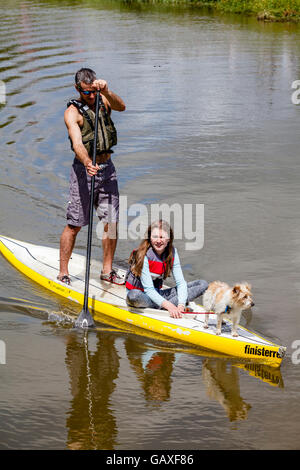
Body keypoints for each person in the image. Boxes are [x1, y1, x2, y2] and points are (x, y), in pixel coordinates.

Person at [58, 68, 126, 285]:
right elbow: (77, 143)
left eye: (94, 91)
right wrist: (88, 162)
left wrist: (107, 91)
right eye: (87, 92)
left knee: (111, 222)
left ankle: (107, 271)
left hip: (108, 169)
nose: (92, 96)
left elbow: (121, 106)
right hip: (84, 171)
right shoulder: (72, 112)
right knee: (75, 224)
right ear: (78, 89)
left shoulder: (103, 100)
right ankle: (63, 272)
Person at [126, 220, 208, 318]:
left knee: (202, 284)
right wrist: (170, 306)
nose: (158, 241)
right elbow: (148, 290)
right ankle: (164, 305)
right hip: (141, 295)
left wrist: (181, 304)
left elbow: (181, 283)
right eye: (155, 237)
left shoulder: (172, 252)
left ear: (168, 239)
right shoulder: (143, 255)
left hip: (158, 293)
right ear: (149, 237)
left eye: (162, 237)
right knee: (133, 296)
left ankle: (162, 304)